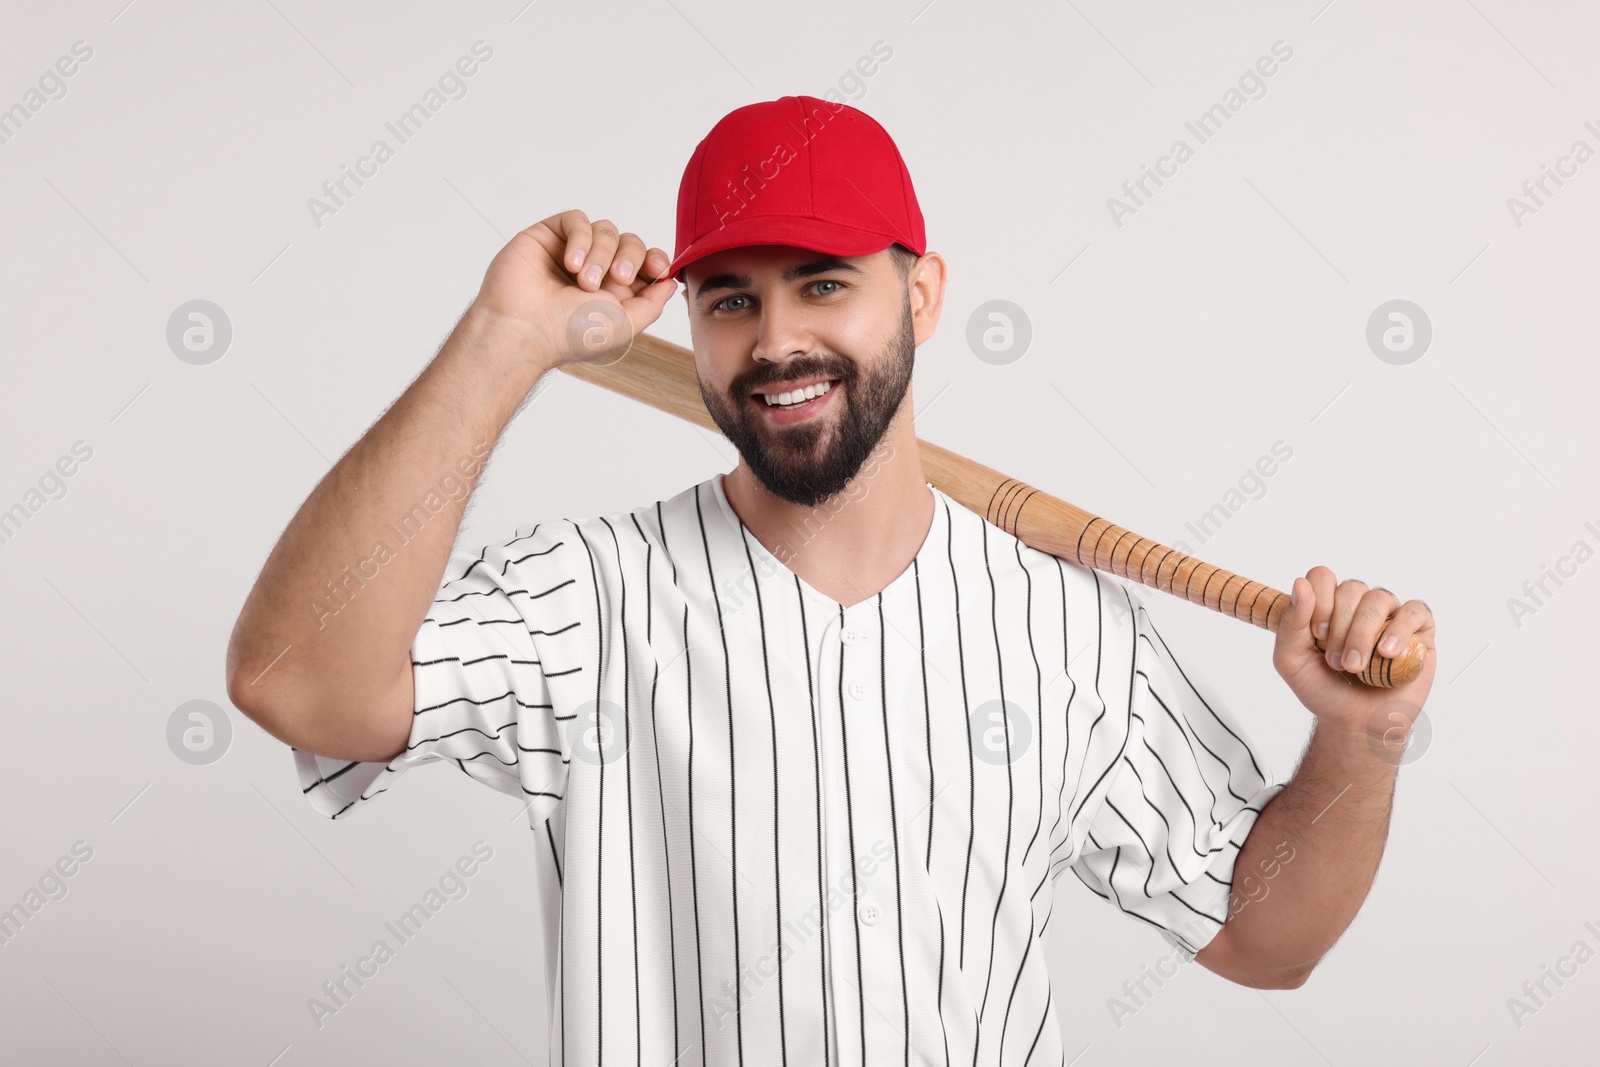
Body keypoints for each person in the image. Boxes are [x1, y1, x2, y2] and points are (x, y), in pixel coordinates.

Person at [226, 94, 1438, 1066]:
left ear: (920, 294)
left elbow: (1264, 939)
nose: (773, 344)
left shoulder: (1071, 628)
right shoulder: (587, 599)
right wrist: (505, 338)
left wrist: (1360, 738)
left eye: (821, 283)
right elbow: (297, 684)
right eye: (729, 299)